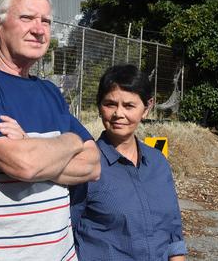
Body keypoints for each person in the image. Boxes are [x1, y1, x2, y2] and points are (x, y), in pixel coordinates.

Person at [0, 0, 101, 260]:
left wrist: (30, 144)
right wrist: (70, 141)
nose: (39, 29)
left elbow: (92, 165)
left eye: (46, 21)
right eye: (27, 18)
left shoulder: (50, 92)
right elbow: (23, 164)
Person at [69, 64, 187, 260]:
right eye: (110, 104)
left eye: (129, 106)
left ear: (147, 108)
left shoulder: (158, 163)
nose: (118, 114)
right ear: (99, 107)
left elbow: (173, 233)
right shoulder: (86, 166)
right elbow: (65, 233)